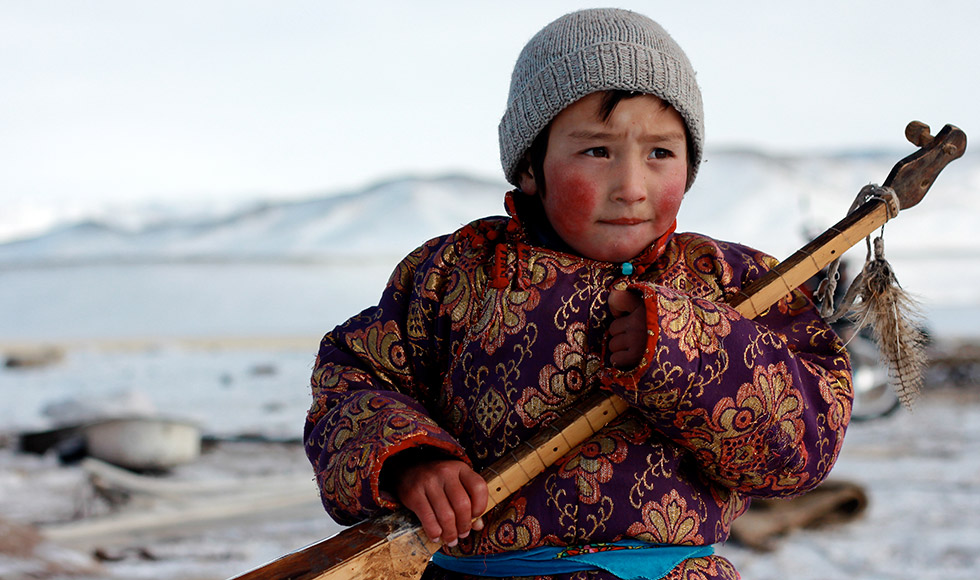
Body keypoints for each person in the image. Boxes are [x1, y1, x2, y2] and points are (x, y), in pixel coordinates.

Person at [304, 8, 852, 580]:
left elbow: (802, 448)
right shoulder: (453, 274)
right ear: (532, 166)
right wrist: (412, 461)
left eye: (661, 152)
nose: (633, 188)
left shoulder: (731, 283)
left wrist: (687, 350)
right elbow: (353, 378)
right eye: (597, 151)